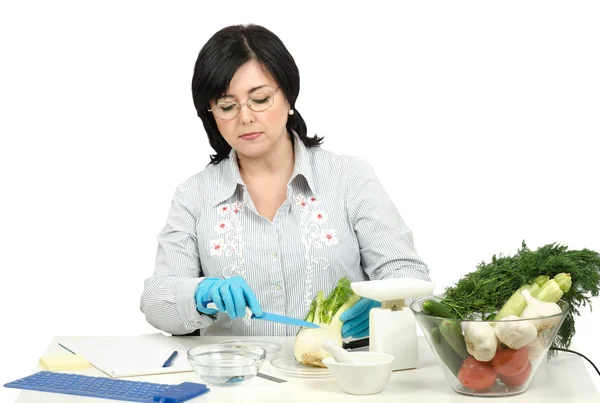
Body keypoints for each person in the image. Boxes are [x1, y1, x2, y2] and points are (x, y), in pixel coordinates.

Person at [140, 24, 431, 338]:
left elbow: (410, 275)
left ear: (288, 95)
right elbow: (156, 302)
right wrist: (197, 295)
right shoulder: (194, 196)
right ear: (211, 114)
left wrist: (386, 303)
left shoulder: (348, 177)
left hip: (340, 377)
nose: (246, 117)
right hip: (237, 381)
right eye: (227, 106)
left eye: (261, 99)